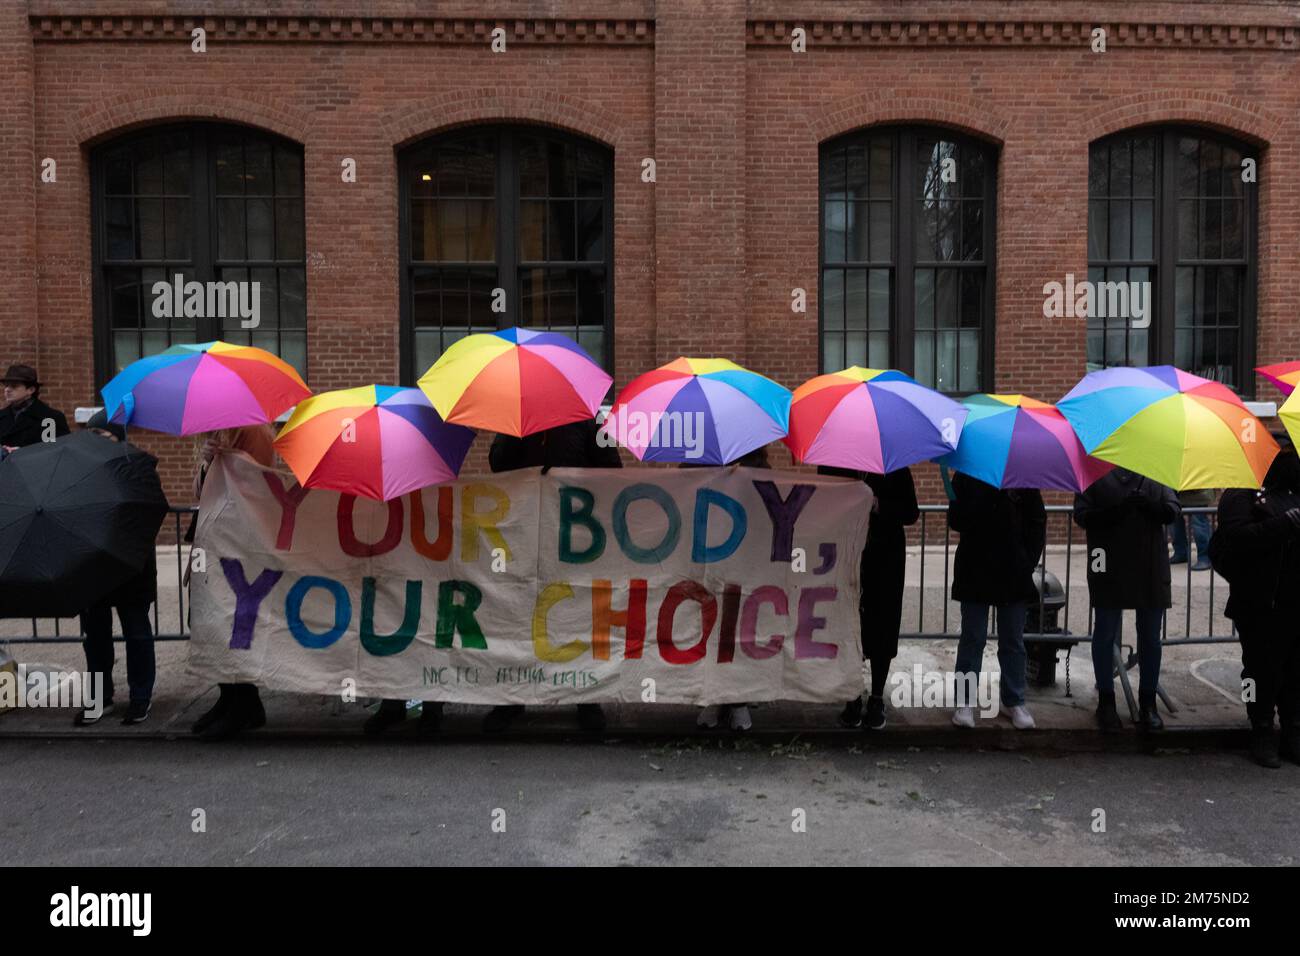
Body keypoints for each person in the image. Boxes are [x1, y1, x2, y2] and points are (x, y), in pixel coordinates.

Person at [481, 418, 621, 735]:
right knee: (519, 612)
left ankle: (586, 699)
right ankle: (511, 699)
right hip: (525, 533)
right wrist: (515, 434)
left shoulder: (589, 422)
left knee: (575, 614)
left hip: (575, 539)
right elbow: (497, 464)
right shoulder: (515, 421)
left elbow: (612, 466)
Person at [1208, 431, 1300, 768]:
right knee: (1259, 670)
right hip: (1258, 603)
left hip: (1293, 599)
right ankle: (1259, 727)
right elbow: (1236, 538)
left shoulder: (1294, 489)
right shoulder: (1241, 493)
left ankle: (1292, 730)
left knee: (1294, 671)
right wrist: (1281, 526)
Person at [187, 425, 277, 741]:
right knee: (217, 623)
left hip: (238, 543)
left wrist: (224, 461)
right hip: (219, 542)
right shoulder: (221, 436)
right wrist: (209, 463)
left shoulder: (254, 434)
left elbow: (257, 484)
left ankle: (243, 704)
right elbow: (202, 492)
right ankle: (232, 700)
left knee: (232, 623)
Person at [1074, 467, 1179, 733]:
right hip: (1108, 561)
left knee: (1150, 637)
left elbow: (1172, 509)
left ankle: (1148, 703)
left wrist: (1151, 507)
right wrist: (1116, 511)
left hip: (1150, 564)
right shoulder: (1095, 471)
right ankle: (1106, 702)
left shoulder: (1156, 471)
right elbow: (1082, 514)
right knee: (1105, 631)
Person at [819, 465, 918, 730]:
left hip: (885, 559)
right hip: (848, 556)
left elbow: (911, 512)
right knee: (850, 626)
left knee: (882, 625)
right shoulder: (837, 468)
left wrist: (877, 504)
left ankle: (876, 697)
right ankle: (852, 696)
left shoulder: (896, 470)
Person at [75, 411, 158, 725]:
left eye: (103, 436)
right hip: (92, 566)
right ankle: (100, 698)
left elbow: (147, 514)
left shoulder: (138, 466)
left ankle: (140, 698)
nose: (96, 443)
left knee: (136, 634)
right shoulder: (79, 470)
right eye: (91, 436)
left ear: (118, 437)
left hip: (130, 565)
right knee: (95, 638)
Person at [947, 471, 1045, 730]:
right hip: (975, 568)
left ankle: (1013, 699)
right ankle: (965, 700)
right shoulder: (968, 474)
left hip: (1013, 572)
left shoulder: (1023, 478)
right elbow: (955, 519)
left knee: (1013, 639)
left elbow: (1037, 521)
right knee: (973, 637)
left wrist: (1027, 561)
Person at [689, 445, 773, 733]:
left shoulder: (758, 464)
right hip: (709, 557)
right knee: (711, 627)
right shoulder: (698, 453)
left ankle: (738, 700)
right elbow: (683, 491)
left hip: (745, 559)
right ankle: (715, 697)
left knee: (739, 629)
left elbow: (769, 504)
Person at [1, 364, 70, 452]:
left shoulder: (50, 418)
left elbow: (56, 452)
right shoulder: (2, 416)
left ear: (31, 390)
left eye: (14, 386)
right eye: (6, 385)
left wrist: (21, 452)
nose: (7, 389)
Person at [1170, 488, 1214, 571]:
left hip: (1196, 490)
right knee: (1174, 522)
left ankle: (1205, 557)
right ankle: (1180, 552)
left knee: (1198, 523)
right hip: (1176, 490)